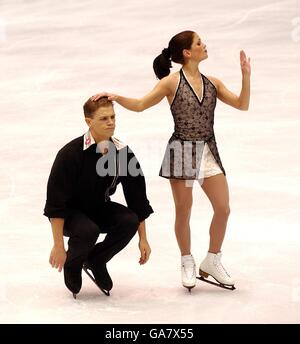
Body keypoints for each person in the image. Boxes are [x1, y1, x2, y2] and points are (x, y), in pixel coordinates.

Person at [91, 30, 251, 291]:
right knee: (184, 210)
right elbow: (142, 104)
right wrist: (117, 97)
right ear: (187, 53)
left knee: (223, 208)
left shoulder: (213, 82)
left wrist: (246, 76)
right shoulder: (171, 83)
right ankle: (187, 260)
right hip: (182, 152)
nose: (205, 44)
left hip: (208, 150)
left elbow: (242, 104)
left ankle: (212, 259)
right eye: (199, 43)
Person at [43, 96, 153, 298]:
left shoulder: (123, 153)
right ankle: (73, 263)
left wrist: (143, 239)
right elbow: (55, 204)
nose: (110, 122)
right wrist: (58, 245)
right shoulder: (70, 154)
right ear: (88, 121)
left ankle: (96, 259)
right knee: (88, 230)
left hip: (99, 208)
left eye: (112, 117)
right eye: (103, 118)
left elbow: (137, 199)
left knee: (128, 220)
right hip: (70, 215)